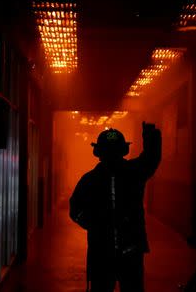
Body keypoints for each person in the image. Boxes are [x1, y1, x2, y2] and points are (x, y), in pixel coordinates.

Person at [69, 122, 162, 292]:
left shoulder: (89, 179)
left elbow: (75, 209)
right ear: (124, 150)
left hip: (101, 253)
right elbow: (151, 159)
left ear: (97, 152)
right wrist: (151, 138)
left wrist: (92, 224)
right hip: (130, 251)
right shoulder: (135, 172)